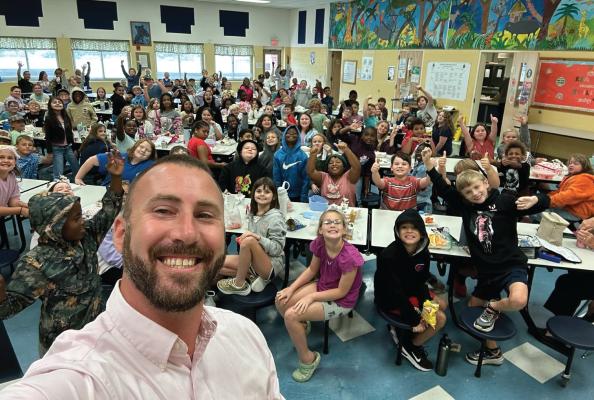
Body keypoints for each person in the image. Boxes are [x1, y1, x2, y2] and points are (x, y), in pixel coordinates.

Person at [0, 156, 283, 398]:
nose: (186, 233)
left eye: (205, 215)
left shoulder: (246, 337)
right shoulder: (80, 376)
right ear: (121, 234)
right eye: (163, 211)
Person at [421, 147, 550, 366]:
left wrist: (537, 200)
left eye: (477, 187)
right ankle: (493, 352)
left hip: (511, 266)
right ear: (463, 196)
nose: (474, 193)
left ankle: (494, 307)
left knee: (518, 300)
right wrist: (429, 165)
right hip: (487, 272)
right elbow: (443, 188)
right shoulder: (464, 206)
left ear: (486, 183)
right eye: (468, 192)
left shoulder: (505, 201)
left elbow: (546, 200)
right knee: (472, 307)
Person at [0, 151, 124, 355]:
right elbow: (8, 309)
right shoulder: (36, 263)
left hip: (95, 326)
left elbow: (111, 207)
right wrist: (2, 294)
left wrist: (117, 177)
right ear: (54, 226)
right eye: (75, 218)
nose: (82, 220)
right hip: (62, 343)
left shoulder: (86, 237)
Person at [275, 209, 364, 382]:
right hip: (323, 287)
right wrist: (291, 289)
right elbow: (312, 270)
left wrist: (311, 297)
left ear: (345, 229)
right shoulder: (320, 243)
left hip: (341, 301)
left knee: (291, 316)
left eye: (337, 222)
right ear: (320, 230)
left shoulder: (350, 257)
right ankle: (302, 325)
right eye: (327, 222)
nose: (332, 225)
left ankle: (308, 359)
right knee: (281, 301)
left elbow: (341, 292)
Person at [375, 209, 447, 371]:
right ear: (397, 232)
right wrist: (414, 319)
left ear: (422, 233)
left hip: (410, 292)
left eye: (414, 228)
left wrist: (425, 303)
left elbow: (420, 281)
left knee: (441, 305)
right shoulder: (388, 256)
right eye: (404, 227)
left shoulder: (423, 253)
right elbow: (394, 291)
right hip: (390, 298)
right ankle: (410, 346)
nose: (409, 231)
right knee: (440, 319)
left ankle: (404, 332)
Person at [218, 177, 286, 295]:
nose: (262, 194)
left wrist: (255, 239)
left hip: (270, 265)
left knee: (249, 241)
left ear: (274, 196)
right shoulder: (252, 213)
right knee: (217, 265)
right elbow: (252, 242)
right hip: (253, 262)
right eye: (259, 191)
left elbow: (277, 249)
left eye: (267, 192)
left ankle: (239, 285)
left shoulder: (276, 218)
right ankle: (252, 276)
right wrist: (246, 242)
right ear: (253, 193)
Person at [76, 139, 156, 186]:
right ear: (135, 147)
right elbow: (92, 160)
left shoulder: (151, 166)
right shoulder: (120, 157)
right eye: (141, 147)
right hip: (108, 193)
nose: (143, 151)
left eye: (148, 150)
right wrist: (78, 178)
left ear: (150, 155)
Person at [307, 141, 360, 206]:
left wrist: (346, 150)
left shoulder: (349, 177)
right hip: (327, 214)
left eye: (338, 162)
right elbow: (311, 172)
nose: (334, 164)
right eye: (331, 163)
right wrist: (313, 155)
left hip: (346, 214)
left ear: (344, 167)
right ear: (328, 168)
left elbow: (356, 167)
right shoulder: (323, 177)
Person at [548, 154, 594, 222]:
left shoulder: (584, 179)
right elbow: (560, 192)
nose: (571, 165)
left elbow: (568, 196)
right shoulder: (574, 176)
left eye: (576, 164)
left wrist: (546, 201)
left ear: (585, 166)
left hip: (575, 213)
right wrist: (546, 197)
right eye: (570, 163)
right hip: (568, 208)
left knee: (540, 212)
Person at [44, 97, 79, 180]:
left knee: (76, 167)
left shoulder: (66, 116)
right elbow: (48, 137)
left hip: (68, 147)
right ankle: (57, 186)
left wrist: (74, 148)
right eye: (54, 102)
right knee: (59, 171)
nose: (57, 103)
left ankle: (77, 182)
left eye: (59, 102)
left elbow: (70, 133)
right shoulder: (49, 119)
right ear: (50, 105)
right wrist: (49, 152)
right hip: (56, 148)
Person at [273, 125, 310, 202]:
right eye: (288, 133)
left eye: (294, 133)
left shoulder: (303, 156)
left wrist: (303, 196)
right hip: (281, 193)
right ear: (284, 135)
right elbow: (276, 176)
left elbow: (306, 178)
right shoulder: (278, 154)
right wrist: (277, 192)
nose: (291, 135)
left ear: (298, 136)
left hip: (298, 194)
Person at [0, 145, 29, 218]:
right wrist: (20, 210)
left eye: (10, 158)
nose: (6, 160)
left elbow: (13, 201)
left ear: (15, 162)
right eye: (1, 157)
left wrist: (26, 205)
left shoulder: (11, 176)